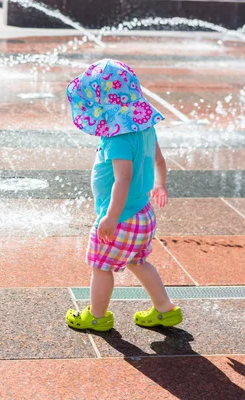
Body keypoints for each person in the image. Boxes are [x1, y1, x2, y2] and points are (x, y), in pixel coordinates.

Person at [65, 59, 183, 331]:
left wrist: (110, 217)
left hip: (121, 217)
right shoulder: (145, 128)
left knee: (100, 266)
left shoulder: (117, 137)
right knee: (138, 262)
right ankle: (165, 309)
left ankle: (96, 317)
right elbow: (160, 162)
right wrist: (159, 185)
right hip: (143, 214)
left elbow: (123, 179)